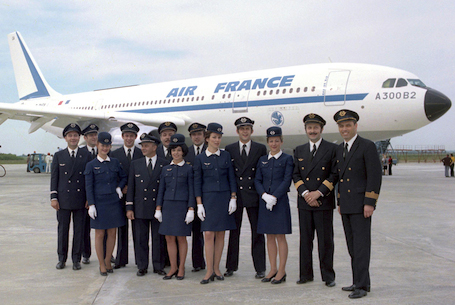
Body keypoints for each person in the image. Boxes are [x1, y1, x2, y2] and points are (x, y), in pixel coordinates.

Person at [333, 109, 382, 299]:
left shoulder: (366, 146)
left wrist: (370, 202)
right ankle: (359, 281)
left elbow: (374, 176)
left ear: (355, 126)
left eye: (348, 125)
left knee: (361, 246)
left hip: (362, 205)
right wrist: (339, 201)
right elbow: (340, 179)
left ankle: (361, 285)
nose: (345, 129)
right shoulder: (340, 149)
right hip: (346, 205)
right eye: (341, 126)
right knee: (352, 246)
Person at [292, 113, 337, 287]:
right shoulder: (299, 150)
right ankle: (305, 274)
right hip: (304, 203)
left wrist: (318, 193)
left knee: (325, 241)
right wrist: (306, 194)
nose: (312, 131)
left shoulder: (331, 149)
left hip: (323, 202)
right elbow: (295, 175)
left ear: (321, 129)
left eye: (315, 128)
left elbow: (334, 174)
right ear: (305, 130)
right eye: (309, 128)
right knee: (305, 240)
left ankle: (328, 276)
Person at [193, 123, 237, 284]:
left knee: (220, 234)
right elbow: (197, 182)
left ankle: (217, 268)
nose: (217, 140)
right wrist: (199, 204)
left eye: (219, 137)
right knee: (209, 234)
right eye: (214, 137)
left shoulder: (225, 156)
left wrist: (233, 197)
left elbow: (231, 177)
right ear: (207, 139)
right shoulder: (200, 159)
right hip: (208, 200)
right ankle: (209, 270)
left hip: (224, 198)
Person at [224, 117, 267, 278]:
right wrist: (231, 196)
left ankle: (260, 268)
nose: (245, 131)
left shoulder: (260, 148)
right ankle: (231, 266)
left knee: (257, 232)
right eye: (242, 128)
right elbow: (229, 174)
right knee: (234, 232)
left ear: (252, 131)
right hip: (236, 195)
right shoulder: (230, 148)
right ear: (237, 131)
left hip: (254, 195)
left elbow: (261, 172)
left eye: (247, 128)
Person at [84, 132, 128, 276]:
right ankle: (102, 264)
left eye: (108, 145)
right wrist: (91, 204)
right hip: (99, 203)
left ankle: (108, 260)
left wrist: (119, 187)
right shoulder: (91, 165)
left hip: (113, 202)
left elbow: (123, 177)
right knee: (99, 234)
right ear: (97, 145)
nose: (105, 148)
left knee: (112, 232)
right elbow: (89, 186)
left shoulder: (114, 162)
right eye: (102, 145)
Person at [254, 126, 293, 284]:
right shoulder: (262, 160)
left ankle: (282, 271)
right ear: (268, 142)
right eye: (271, 141)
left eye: (277, 140)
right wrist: (264, 195)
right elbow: (257, 180)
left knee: (280, 236)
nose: (274, 143)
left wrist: (274, 197)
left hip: (280, 202)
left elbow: (286, 180)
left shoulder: (287, 159)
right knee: (269, 236)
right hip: (265, 202)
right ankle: (272, 269)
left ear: (281, 141)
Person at [126, 133, 168, 276]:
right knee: (140, 238)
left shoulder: (164, 164)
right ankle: (142, 266)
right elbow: (131, 187)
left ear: (155, 147)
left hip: (157, 207)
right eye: (142, 145)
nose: (143, 148)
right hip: (140, 207)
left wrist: (163, 207)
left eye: (146, 145)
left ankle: (158, 265)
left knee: (158, 239)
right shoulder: (135, 164)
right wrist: (129, 207)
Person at [50, 123, 90, 271]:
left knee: (79, 231)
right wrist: (53, 197)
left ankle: (76, 259)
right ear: (65, 138)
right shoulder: (59, 155)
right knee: (63, 231)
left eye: (75, 135)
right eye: (70, 135)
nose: (73, 138)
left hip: (80, 199)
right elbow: (54, 178)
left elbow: (88, 179)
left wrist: (89, 199)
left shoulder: (86, 155)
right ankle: (61, 258)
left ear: (79, 137)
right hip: (63, 200)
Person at [155, 134, 195, 280]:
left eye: (178, 150)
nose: (176, 153)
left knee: (181, 238)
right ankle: (173, 267)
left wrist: (191, 208)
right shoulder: (166, 169)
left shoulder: (188, 169)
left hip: (182, 207)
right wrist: (158, 208)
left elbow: (192, 190)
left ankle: (182, 267)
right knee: (169, 238)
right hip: (168, 206)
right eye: (173, 150)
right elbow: (161, 190)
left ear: (183, 151)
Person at [110, 122, 144, 269]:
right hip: (121, 197)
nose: (129, 138)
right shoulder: (114, 154)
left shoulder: (141, 153)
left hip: (137, 198)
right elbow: (112, 175)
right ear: (122, 137)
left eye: (132, 136)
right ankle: (121, 259)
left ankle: (140, 261)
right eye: (126, 136)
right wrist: (120, 187)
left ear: (135, 137)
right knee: (121, 229)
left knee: (138, 231)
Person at [183, 122, 207, 272]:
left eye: (199, 134)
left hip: (209, 197)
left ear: (204, 135)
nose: (196, 137)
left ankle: (213, 262)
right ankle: (198, 263)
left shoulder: (211, 150)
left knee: (212, 233)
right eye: (193, 134)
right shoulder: (187, 153)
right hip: (192, 198)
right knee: (196, 232)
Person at [79, 123, 99, 265]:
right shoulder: (80, 154)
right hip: (84, 198)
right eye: (90, 135)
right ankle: (86, 253)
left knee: (104, 227)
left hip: (102, 197)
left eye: (95, 134)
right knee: (84, 227)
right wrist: (87, 198)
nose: (93, 137)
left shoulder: (105, 151)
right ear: (85, 137)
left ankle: (106, 253)